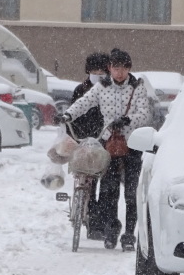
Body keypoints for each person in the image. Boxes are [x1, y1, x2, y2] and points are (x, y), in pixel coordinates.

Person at [57, 48, 152, 251]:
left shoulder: (137, 87)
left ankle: (128, 235)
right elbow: (84, 102)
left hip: (132, 145)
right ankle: (111, 229)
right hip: (108, 144)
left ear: (129, 69)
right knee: (109, 191)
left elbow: (144, 114)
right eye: (115, 67)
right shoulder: (102, 87)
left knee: (131, 193)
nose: (119, 72)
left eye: (123, 68)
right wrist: (67, 115)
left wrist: (127, 120)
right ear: (110, 68)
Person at [67, 53, 109, 238]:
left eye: (101, 71)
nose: (97, 74)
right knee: (85, 179)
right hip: (82, 137)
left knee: (104, 183)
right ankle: (87, 217)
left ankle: (98, 222)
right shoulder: (80, 90)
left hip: (103, 138)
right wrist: (73, 134)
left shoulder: (109, 90)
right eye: (94, 70)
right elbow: (72, 112)